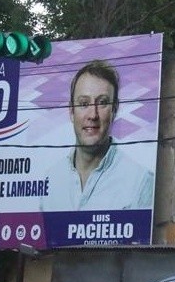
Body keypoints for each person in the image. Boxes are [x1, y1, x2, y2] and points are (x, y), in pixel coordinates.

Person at [38, 59, 155, 211]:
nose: (93, 115)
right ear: (71, 111)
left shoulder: (140, 181)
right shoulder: (51, 179)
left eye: (102, 103)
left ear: (115, 109)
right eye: (84, 104)